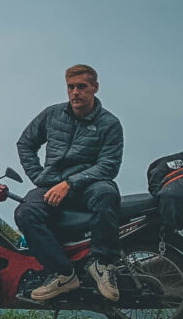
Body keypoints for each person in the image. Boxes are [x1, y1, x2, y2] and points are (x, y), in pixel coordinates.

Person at [14, 64, 123, 302]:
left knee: (107, 194)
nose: (75, 92)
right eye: (71, 87)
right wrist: (40, 177)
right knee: (25, 212)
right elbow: (25, 144)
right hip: (51, 184)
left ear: (95, 88)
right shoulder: (52, 115)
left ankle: (103, 265)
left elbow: (109, 165)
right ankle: (63, 273)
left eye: (82, 87)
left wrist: (70, 184)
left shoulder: (110, 124)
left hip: (90, 185)